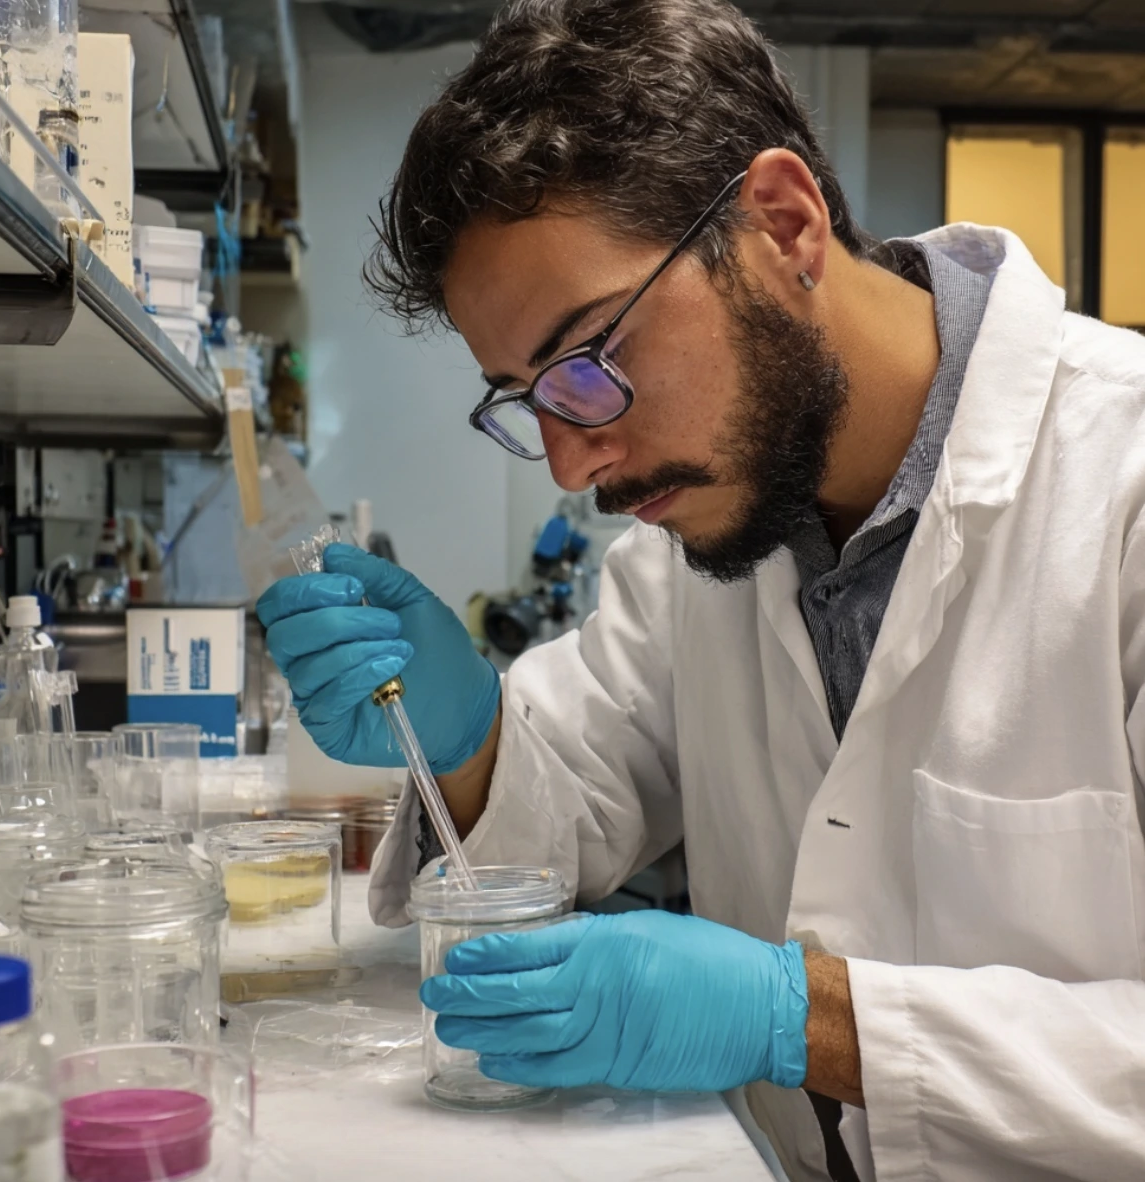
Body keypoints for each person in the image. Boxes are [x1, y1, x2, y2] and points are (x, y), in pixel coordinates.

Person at [255, 1, 1145, 1178]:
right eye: (527, 399)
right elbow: (564, 806)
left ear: (780, 224)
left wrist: (802, 1020)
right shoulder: (710, 541)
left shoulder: (1117, 485)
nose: (572, 462)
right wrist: (461, 736)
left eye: (591, 361)